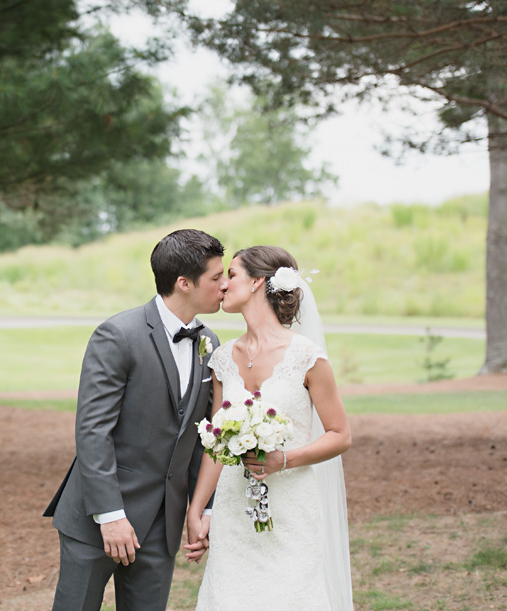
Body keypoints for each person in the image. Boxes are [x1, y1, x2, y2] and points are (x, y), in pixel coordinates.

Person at [44, 229, 227, 611]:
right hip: (98, 519)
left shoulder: (209, 343)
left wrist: (202, 508)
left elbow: (198, 437)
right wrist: (109, 516)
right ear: (184, 283)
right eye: (216, 277)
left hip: (163, 524)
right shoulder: (118, 335)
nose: (225, 285)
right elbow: (93, 431)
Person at [184, 245, 354, 610]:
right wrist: (197, 510)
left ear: (258, 282)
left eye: (231, 275)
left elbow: (341, 434)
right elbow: (217, 445)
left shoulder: (307, 357)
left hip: (291, 506)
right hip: (233, 509)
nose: (223, 285)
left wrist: (284, 459)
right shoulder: (223, 359)